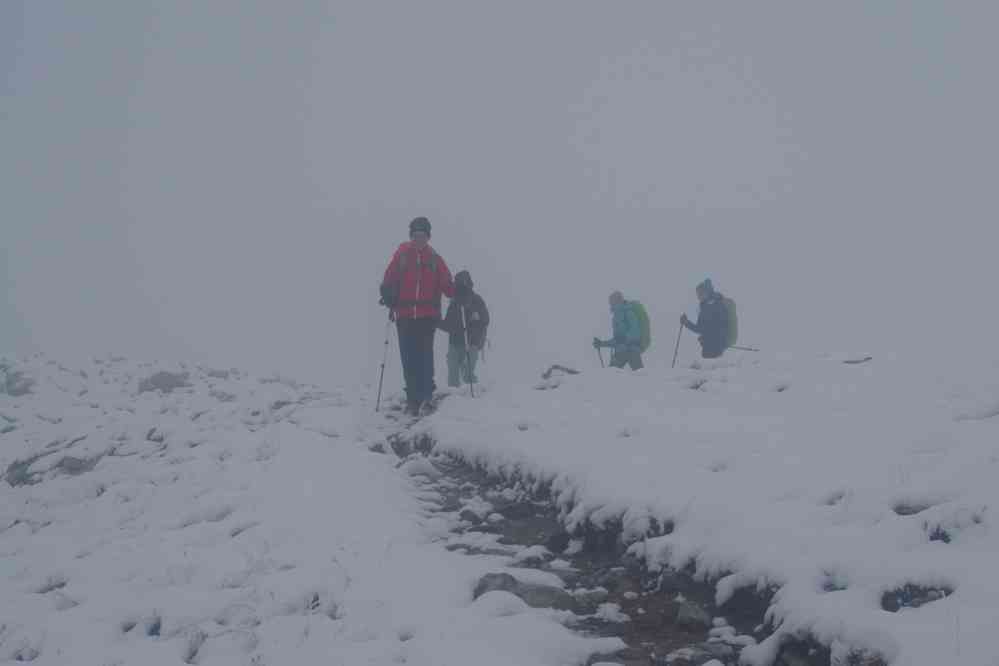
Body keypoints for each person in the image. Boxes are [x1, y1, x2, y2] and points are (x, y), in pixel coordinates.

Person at [380, 217, 455, 415]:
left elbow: (447, 284)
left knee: (425, 355)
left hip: (427, 315)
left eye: (422, 235)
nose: (419, 239)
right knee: (408, 357)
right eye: (415, 235)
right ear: (411, 236)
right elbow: (389, 277)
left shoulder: (434, 258)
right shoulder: (402, 255)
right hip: (404, 315)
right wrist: (386, 292)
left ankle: (426, 396)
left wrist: (458, 289)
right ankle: (413, 398)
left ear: (428, 237)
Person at [441, 270, 489, 388]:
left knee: (468, 374)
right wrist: (435, 322)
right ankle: (454, 399)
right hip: (455, 343)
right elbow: (448, 325)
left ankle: (470, 398)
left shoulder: (476, 300)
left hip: (472, 342)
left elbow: (485, 319)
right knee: (453, 375)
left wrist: (475, 323)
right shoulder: (454, 303)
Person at [593, 291, 644, 370]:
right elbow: (617, 340)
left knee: (640, 375)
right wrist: (601, 343)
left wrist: (625, 338)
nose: (610, 304)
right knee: (611, 375)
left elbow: (635, 332)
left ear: (617, 300)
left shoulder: (628, 312)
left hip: (632, 350)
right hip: (621, 351)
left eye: (611, 301)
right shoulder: (616, 317)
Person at [680, 278, 729, 359]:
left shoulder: (710, 306)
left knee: (709, 368)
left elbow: (701, 328)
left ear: (706, 292)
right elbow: (704, 328)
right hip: (716, 345)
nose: (698, 296)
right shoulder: (712, 304)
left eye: (700, 294)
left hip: (713, 347)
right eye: (697, 294)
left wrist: (686, 322)